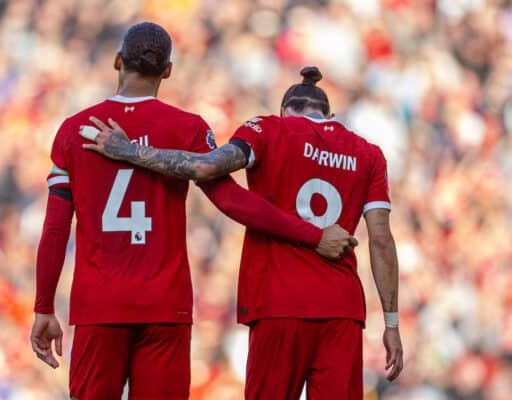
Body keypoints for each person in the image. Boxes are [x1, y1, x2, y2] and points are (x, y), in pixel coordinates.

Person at [30, 23, 356, 400]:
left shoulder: (75, 131)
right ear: (168, 70)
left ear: (117, 61)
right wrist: (313, 235)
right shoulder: (187, 127)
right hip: (165, 308)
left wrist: (44, 306)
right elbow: (233, 201)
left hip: (99, 306)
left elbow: (56, 229)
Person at [82, 66, 403, 399]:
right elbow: (381, 240)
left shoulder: (267, 129)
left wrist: (129, 150)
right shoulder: (368, 154)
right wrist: (391, 325)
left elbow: (204, 167)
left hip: (279, 301)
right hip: (342, 308)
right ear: (329, 115)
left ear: (284, 112)